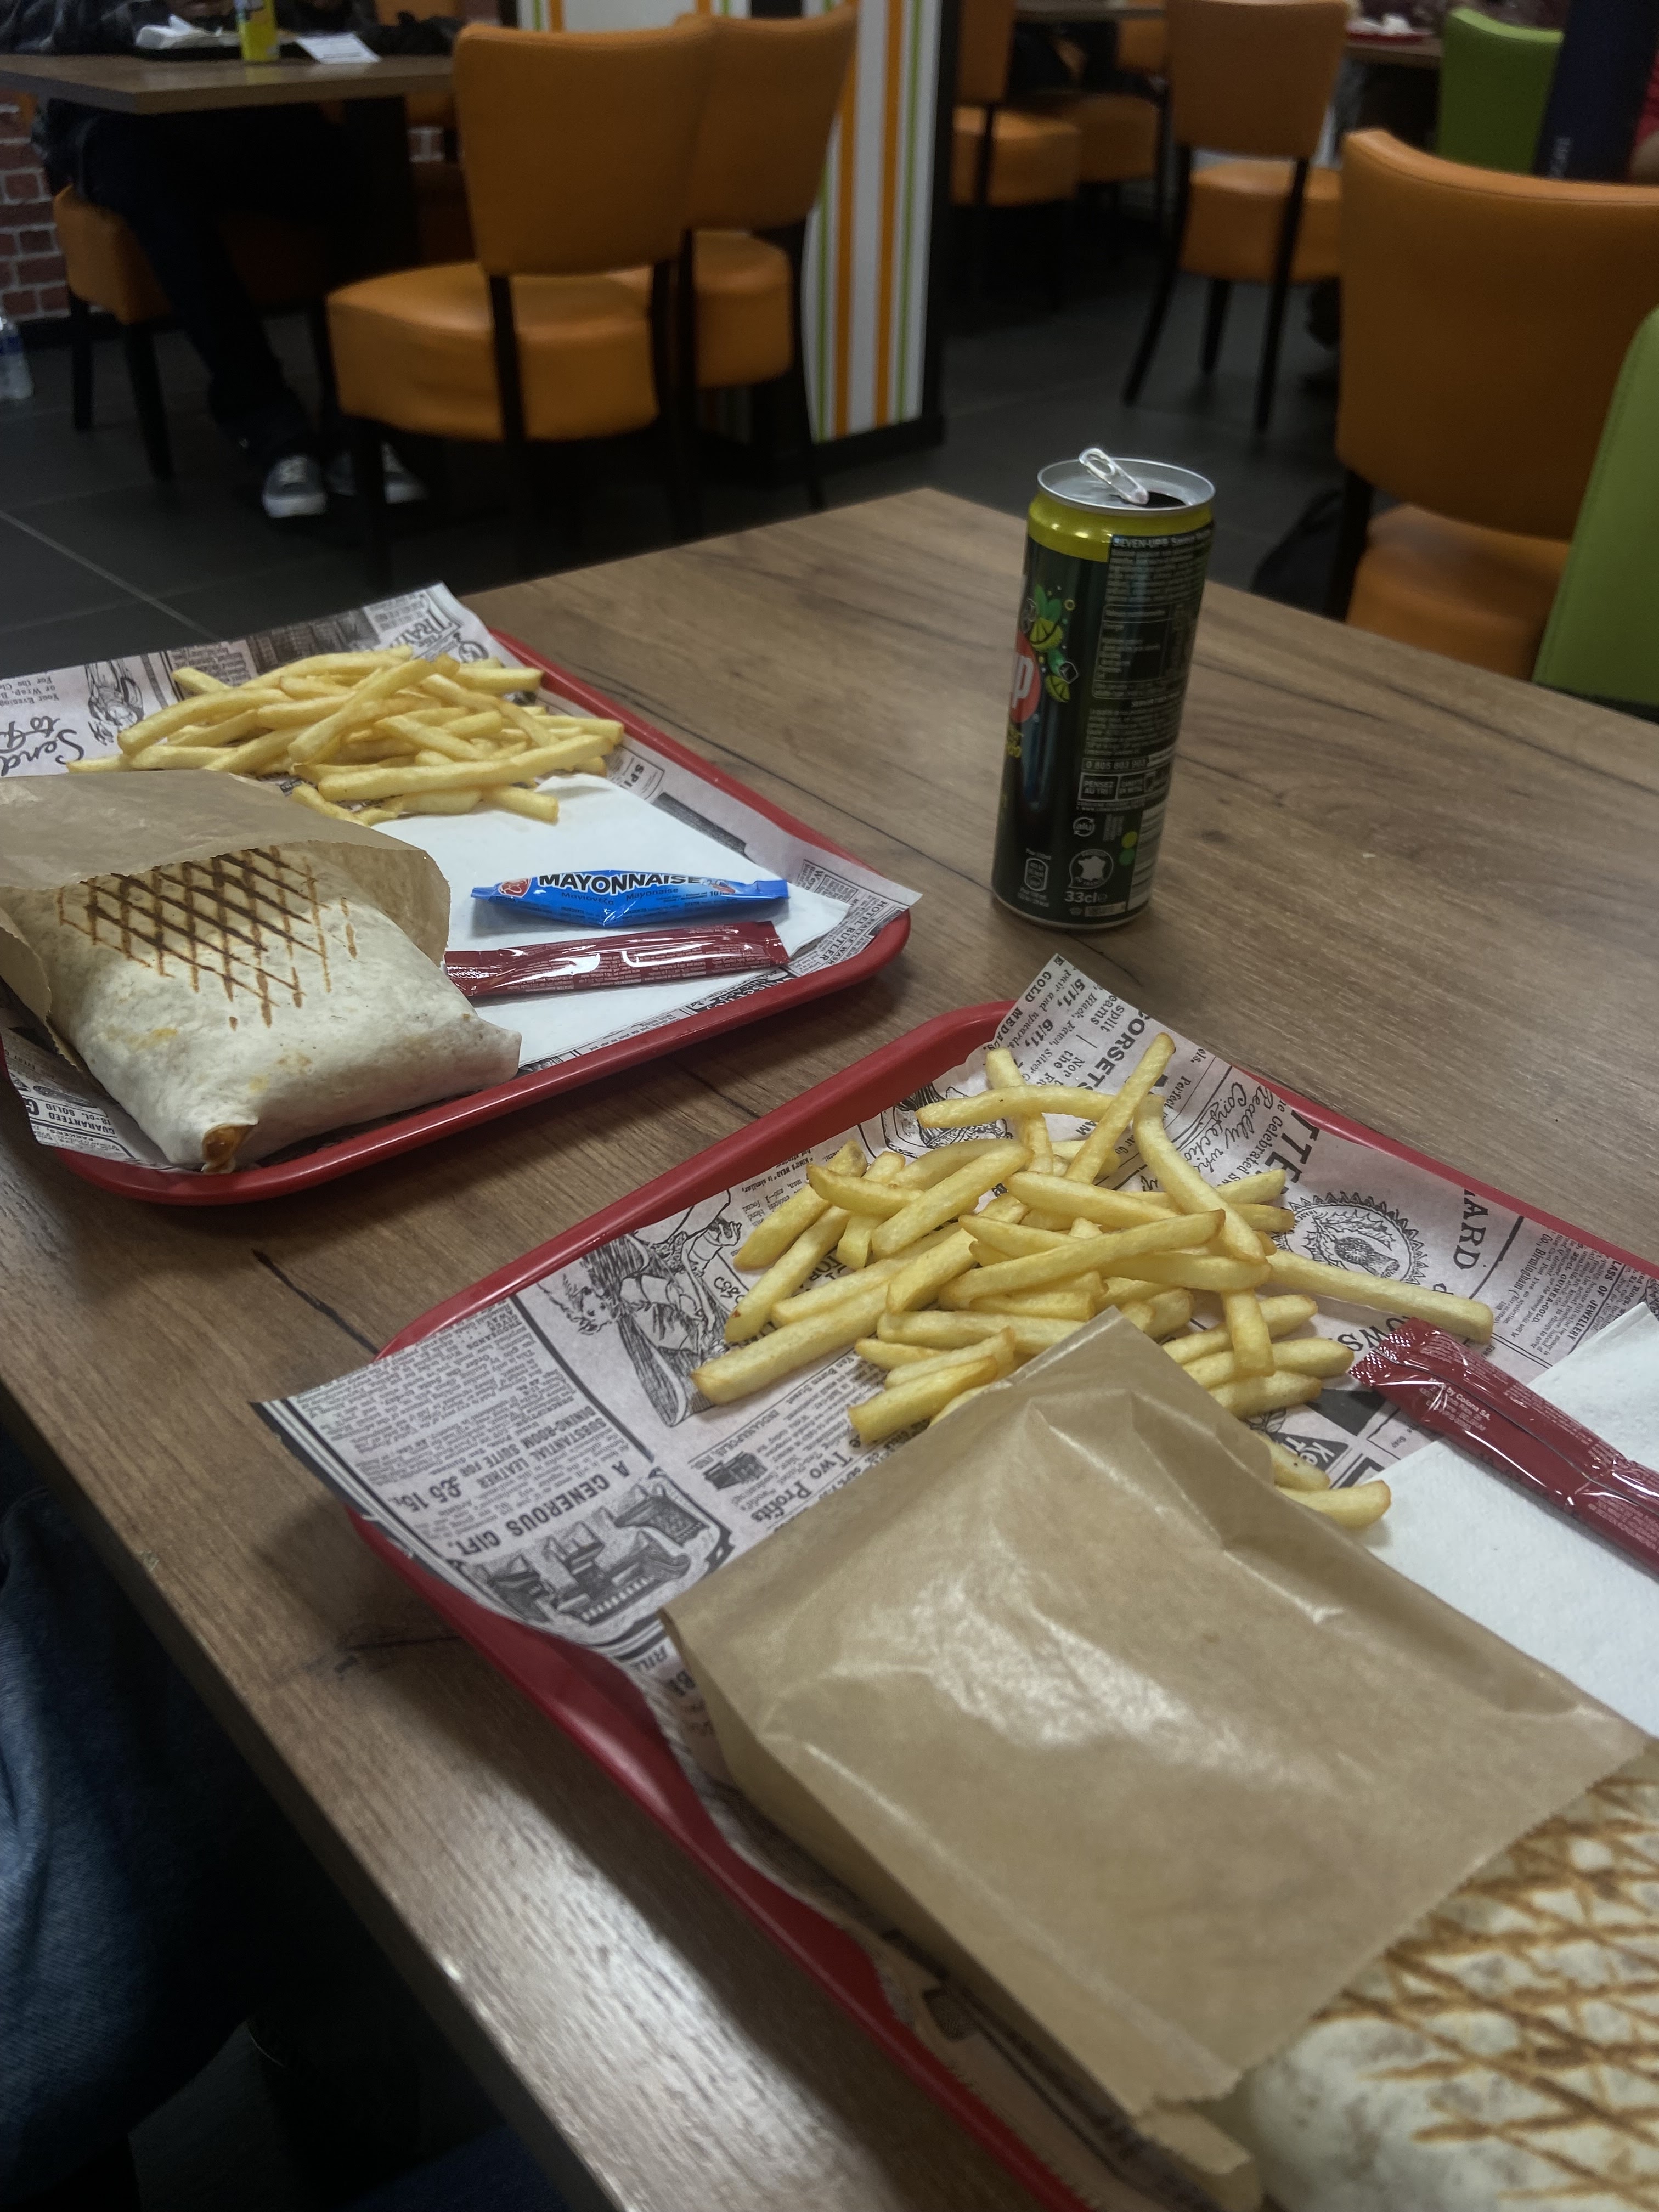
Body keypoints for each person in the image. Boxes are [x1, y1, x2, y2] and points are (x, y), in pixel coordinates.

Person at [0, 0, 426, 520]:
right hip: (113, 122)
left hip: (247, 106)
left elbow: (348, 26)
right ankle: (267, 421)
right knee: (149, 178)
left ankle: (359, 421)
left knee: (358, 168)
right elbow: (15, 25)